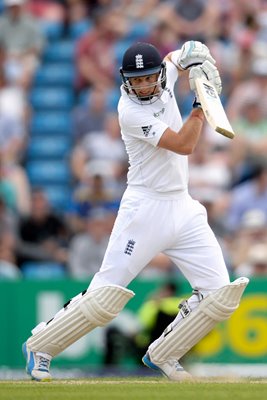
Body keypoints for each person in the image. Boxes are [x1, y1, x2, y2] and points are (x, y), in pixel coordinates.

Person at [22, 40, 249, 382]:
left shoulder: (166, 74)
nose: (143, 85)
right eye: (135, 79)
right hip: (144, 209)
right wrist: (201, 104)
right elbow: (185, 144)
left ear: (158, 74)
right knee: (106, 297)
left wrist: (198, 58)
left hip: (182, 206)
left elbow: (180, 54)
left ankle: (165, 355)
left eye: (148, 78)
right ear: (125, 80)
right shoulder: (130, 112)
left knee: (219, 295)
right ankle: (40, 346)